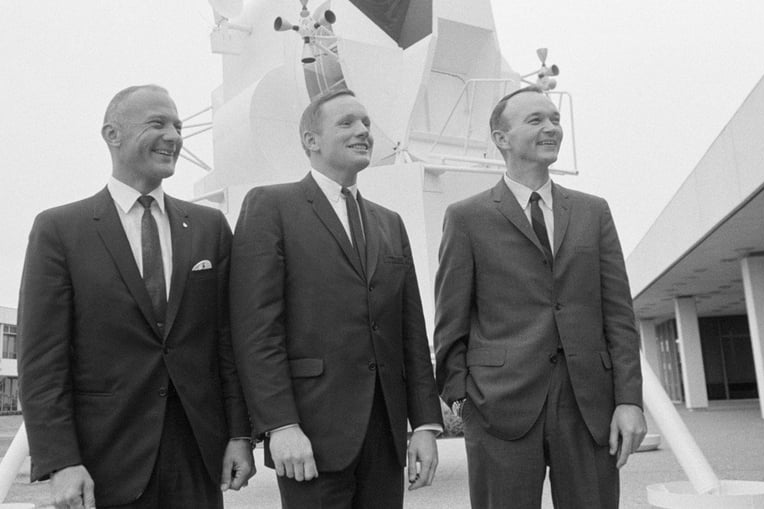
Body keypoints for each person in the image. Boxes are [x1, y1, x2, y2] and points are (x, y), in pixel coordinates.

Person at [18, 84, 255, 509]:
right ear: (112, 134)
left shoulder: (209, 227)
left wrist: (239, 435)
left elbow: (226, 342)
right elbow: (42, 360)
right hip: (104, 463)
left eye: (179, 126)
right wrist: (61, 461)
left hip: (197, 458)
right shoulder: (60, 230)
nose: (175, 136)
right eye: (158, 123)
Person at [434, 86, 646, 508]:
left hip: (590, 407)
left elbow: (619, 314)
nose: (552, 127)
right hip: (498, 407)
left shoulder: (594, 212)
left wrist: (628, 400)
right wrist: (464, 399)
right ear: (501, 138)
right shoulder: (466, 218)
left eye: (554, 119)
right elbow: (450, 322)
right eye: (536, 120)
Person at [229, 89, 443, 508]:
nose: (363, 130)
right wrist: (280, 426)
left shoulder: (389, 223)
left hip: (383, 438)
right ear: (311, 140)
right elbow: (256, 331)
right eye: (346, 123)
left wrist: (425, 425)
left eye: (365, 123)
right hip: (309, 437)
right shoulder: (271, 206)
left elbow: (410, 335)